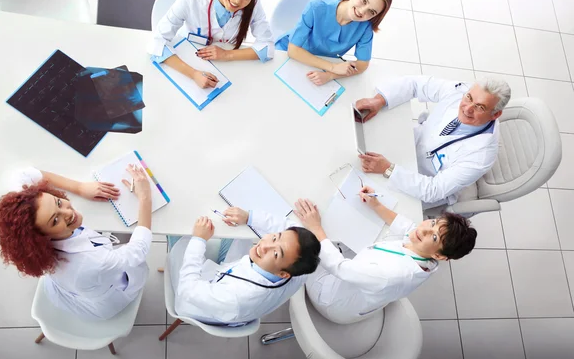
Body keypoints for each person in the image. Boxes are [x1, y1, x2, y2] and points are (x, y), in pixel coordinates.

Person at [0, 166, 153, 320]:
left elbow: (24, 173)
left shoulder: (28, 213)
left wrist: (80, 187)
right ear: (41, 238)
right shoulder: (95, 262)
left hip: (69, 286)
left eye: (58, 202)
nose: (68, 212)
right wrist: (145, 197)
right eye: (55, 220)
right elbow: (138, 250)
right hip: (103, 301)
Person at [295, 192, 476, 324]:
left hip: (331, 300)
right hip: (361, 297)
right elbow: (408, 227)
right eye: (434, 222)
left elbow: (339, 268)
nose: (425, 229)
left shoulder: (392, 273)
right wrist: (376, 205)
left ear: (439, 255)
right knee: (342, 235)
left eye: (434, 236)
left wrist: (315, 227)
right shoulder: (425, 251)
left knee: (302, 240)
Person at [355, 76, 511, 208]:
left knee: (363, 200)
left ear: (495, 114)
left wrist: (389, 169)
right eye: (469, 98)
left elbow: (433, 190)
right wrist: (379, 100)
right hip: (411, 143)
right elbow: (415, 84)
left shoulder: (481, 155)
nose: (467, 109)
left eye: (480, 107)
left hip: (420, 182)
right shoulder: (461, 91)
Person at [163, 205, 320, 331]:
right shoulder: (300, 269)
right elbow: (292, 233)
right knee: (236, 225)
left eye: (276, 254)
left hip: (192, 299)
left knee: (175, 226)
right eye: (274, 237)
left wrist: (199, 240)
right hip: (226, 275)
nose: (264, 245)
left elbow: (188, 290)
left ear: (283, 274)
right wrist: (249, 217)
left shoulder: (236, 298)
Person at [148, 0, 274, 89]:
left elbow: (267, 47)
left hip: (226, 66)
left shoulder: (253, 3)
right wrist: (194, 74)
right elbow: (157, 43)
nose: (238, 0)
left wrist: (227, 54)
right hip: (188, 52)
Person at [275, 0, 392, 86]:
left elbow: (362, 65)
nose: (362, 11)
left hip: (319, 65)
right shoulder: (317, 6)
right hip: (287, 53)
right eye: (364, 1)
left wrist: (330, 75)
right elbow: (293, 50)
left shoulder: (365, 28)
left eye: (371, 12)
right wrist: (332, 67)